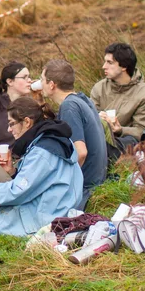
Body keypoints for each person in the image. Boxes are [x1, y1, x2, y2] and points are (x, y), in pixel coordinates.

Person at [0, 98, 83, 237]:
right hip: (56, 208)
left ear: (27, 122)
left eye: (11, 124)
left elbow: (17, 192)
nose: (9, 129)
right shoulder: (54, 138)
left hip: (43, 217)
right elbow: (37, 184)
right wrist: (12, 172)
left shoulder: (42, 152)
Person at [38, 58, 107, 207]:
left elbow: (80, 152)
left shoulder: (69, 107)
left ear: (51, 85)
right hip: (97, 180)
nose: (40, 83)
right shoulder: (82, 99)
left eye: (42, 79)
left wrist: (64, 183)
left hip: (85, 188)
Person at [90, 42, 145, 159]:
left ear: (124, 67)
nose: (103, 66)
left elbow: (144, 131)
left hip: (127, 142)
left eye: (110, 62)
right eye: (105, 61)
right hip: (99, 136)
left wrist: (121, 130)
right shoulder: (99, 88)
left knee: (128, 142)